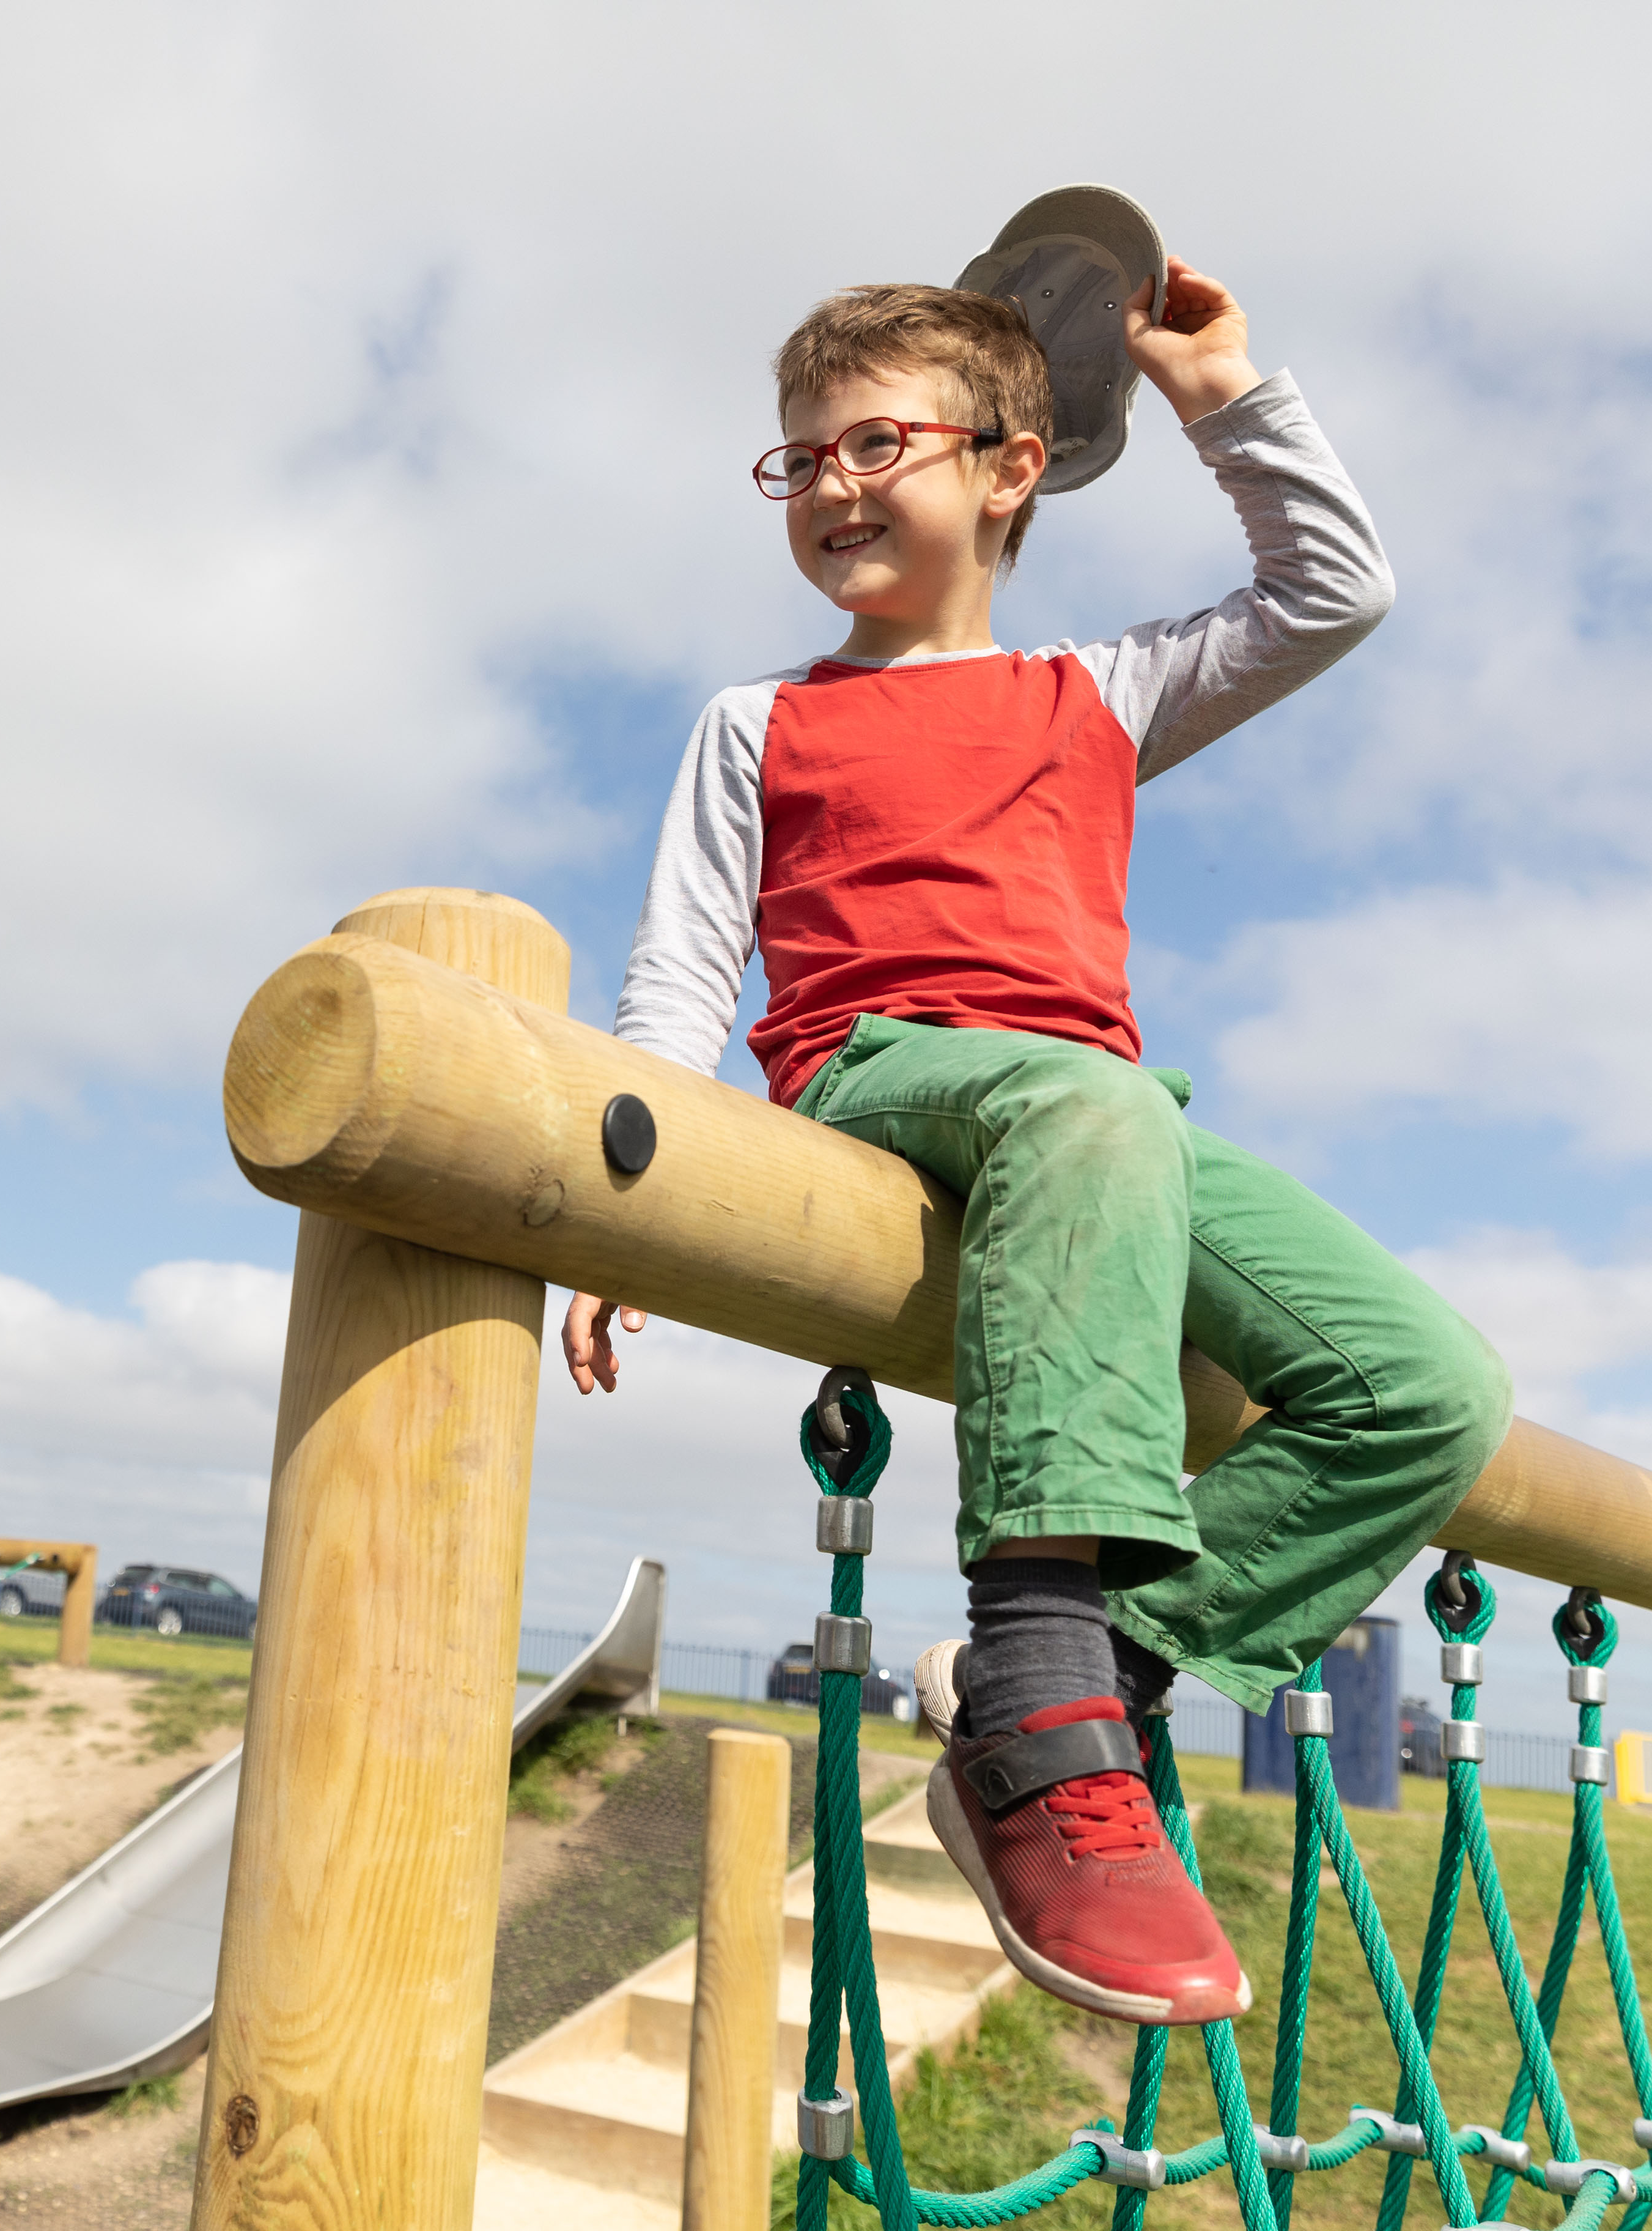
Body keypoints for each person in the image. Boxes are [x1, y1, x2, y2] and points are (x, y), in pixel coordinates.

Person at [563, 254, 1509, 2027]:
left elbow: (1334, 591)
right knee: (1083, 1102)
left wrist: (1220, 393)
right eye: (797, 460)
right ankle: (1057, 1686)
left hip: (1096, 1120)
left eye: (873, 442)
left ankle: (1066, 1689)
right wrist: (628, 1214)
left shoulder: (1101, 689)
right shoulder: (762, 718)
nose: (831, 482)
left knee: (1430, 1388)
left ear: (1011, 466)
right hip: (877, 1083)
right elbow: (684, 960)